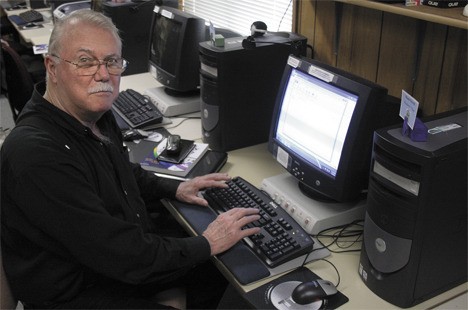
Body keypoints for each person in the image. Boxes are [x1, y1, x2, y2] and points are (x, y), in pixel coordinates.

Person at [0, 10, 261, 309]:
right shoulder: (38, 156)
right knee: (221, 268)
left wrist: (174, 188)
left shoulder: (93, 114)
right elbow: (122, 255)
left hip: (111, 261)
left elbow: (122, 172)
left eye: (111, 62)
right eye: (85, 61)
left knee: (227, 271)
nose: (102, 74)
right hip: (80, 291)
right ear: (52, 67)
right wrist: (207, 243)